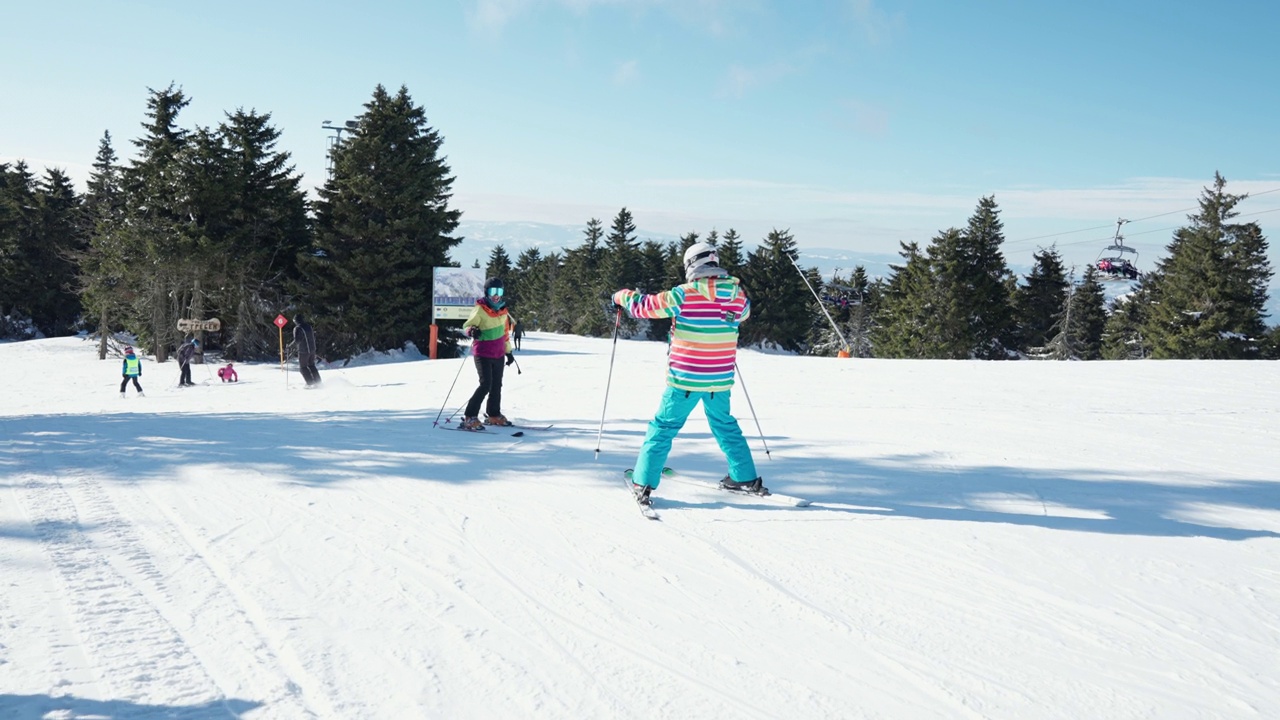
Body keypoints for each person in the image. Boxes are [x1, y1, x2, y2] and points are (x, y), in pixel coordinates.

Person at [612, 242, 765, 507]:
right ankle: (744, 477)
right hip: (720, 379)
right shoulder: (738, 296)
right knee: (725, 425)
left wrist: (621, 296)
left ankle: (644, 481)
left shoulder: (683, 294)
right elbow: (743, 314)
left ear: (691, 265)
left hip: (685, 379)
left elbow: (643, 307)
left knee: (663, 427)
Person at [460, 277, 516, 431]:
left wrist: (509, 352)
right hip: (483, 353)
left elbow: (505, 334)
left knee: (497, 385)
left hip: (498, 354)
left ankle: (493, 414)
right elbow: (467, 325)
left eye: (499, 291)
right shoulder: (480, 309)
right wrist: (472, 330)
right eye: (493, 291)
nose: (496, 295)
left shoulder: (503, 310)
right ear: (486, 292)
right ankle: (469, 417)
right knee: (486, 385)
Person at [294, 314, 321, 386]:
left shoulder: (298, 328)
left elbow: (297, 341)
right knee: (311, 365)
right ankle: (318, 381)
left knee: (303, 367)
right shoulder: (308, 326)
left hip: (304, 351)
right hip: (312, 350)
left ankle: (310, 383)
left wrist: (289, 347)